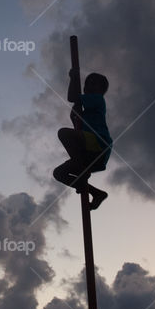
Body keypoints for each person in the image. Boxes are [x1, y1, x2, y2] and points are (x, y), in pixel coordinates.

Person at [53, 70, 112, 210]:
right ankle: (96, 193)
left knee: (63, 133)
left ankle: (81, 168)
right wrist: (75, 114)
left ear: (101, 90)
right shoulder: (84, 112)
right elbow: (77, 130)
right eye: (87, 84)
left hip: (99, 143)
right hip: (87, 153)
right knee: (59, 173)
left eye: (94, 84)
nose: (89, 87)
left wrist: (73, 78)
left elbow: (72, 97)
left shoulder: (98, 99)